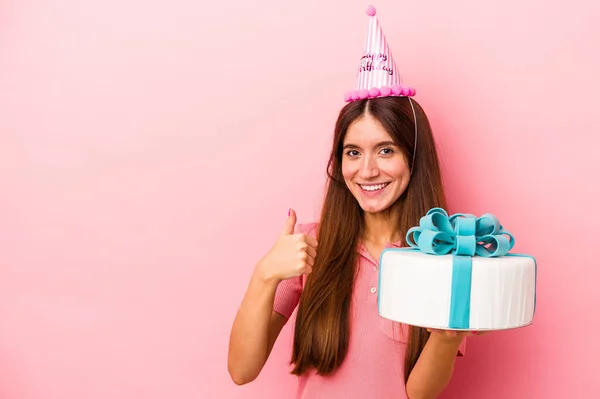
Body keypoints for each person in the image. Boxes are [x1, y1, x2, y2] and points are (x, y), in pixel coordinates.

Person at [228, 5, 486, 399]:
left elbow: (417, 394)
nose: (366, 171)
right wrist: (265, 274)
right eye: (353, 153)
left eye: (385, 151)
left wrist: (448, 337)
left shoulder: (446, 258)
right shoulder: (309, 246)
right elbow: (242, 370)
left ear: (414, 158)